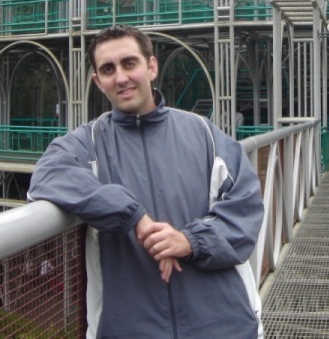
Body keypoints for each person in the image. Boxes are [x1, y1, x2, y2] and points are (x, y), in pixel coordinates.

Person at [27, 25, 264, 338]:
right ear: (97, 82)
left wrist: (189, 241)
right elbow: (46, 176)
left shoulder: (204, 133)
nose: (121, 78)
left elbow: (246, 210)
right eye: (108, 69)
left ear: (151, 67)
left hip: (223, 327)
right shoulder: (88, 143)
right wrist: (133, 215)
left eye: (129, 63)